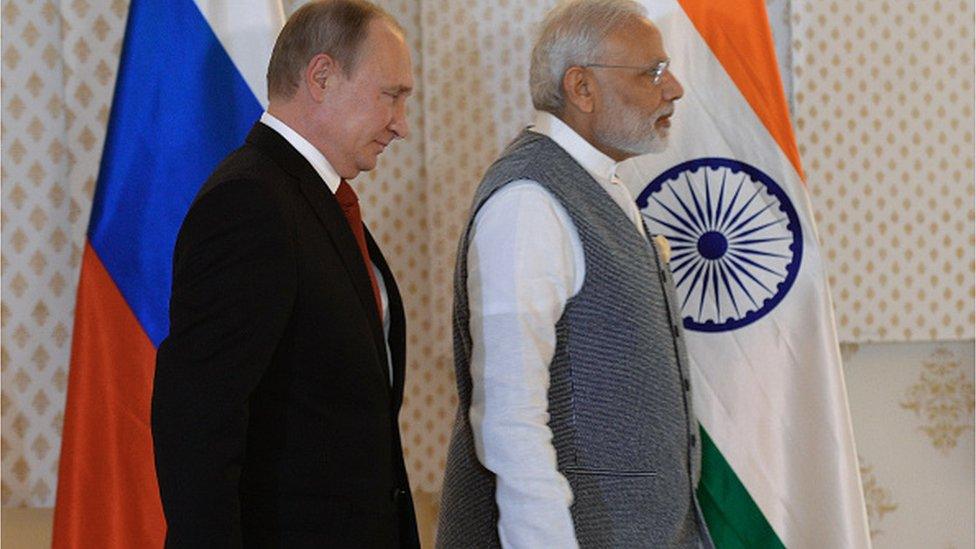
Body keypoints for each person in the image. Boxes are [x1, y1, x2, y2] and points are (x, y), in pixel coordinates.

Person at [437, 0, 713, 547]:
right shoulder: (527, 202)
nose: (674, 88)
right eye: (652, 72)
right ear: (581, 88)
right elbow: (510, 421)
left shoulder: (598, 185)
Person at [151, 1, 419, 546]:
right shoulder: (249, 202)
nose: (401, 125)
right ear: (321, 77)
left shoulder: (312, 198)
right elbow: (199, 425)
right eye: (391, 95)